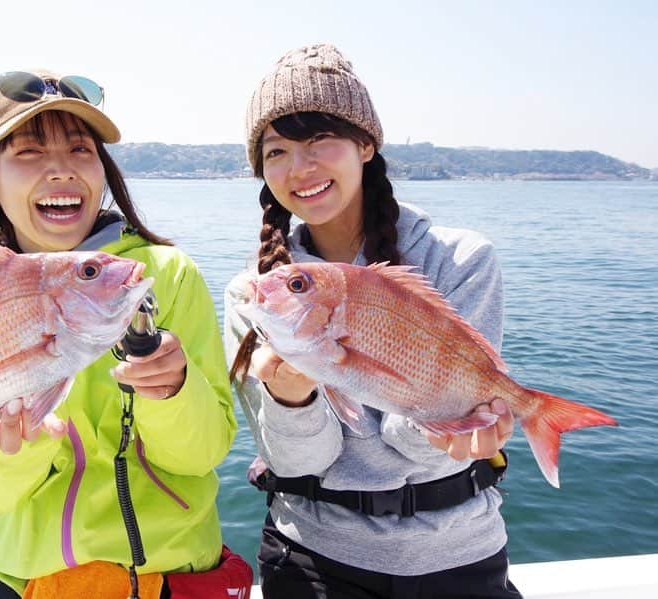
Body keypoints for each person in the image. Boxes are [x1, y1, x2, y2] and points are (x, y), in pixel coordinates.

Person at [0, 68, 248, 599]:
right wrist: (14, 448)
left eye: (80, 150)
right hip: (15, 581)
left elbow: (202, 454)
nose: (60, 171)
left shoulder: (165, 274)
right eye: (28, 153)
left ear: (103, 169)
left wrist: (171, 392)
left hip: (167, 578)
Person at [224, 44, 523, 598]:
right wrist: (293, 397)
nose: (300, 168)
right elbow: (298, 463)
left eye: (320, 141)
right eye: (277, 151)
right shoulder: (257, 292)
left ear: (365, 145)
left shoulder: (459, 260)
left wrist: (448, 425)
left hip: (459, 555)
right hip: (311, 560)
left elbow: (415, 446)